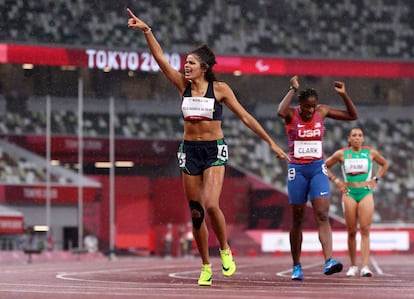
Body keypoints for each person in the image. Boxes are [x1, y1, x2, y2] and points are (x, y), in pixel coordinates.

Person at [127, 8, 289, 286]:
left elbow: (246, 117)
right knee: (196, 211)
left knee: (212, 204)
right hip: (188, 151)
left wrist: (271, 142)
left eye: (190, 63)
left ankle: (225, 250)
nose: (185, 66)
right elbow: (160, 59)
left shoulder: (221, 89)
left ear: (204, 67)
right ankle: (205, 266)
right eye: (185, 62)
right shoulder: (181, 85)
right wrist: (147, 31)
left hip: (214, 150)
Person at [277, 75, 358, 280]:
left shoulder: (322, 111)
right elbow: (280, 111)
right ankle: (297, 265)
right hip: (297, 170)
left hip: (316, 168)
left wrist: (344, 94)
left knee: (322, 214)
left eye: (312, 107)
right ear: (300, 105)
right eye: (306, 107)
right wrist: (292, 89)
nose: (310, 111)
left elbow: (352, 116)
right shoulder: (291, 115)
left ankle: (329, 260)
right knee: (297, 219)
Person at [325, 127, 388, 277]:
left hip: (366, 192)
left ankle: (365, 266)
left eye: (360, 135)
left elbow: (384, 164)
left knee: (365, 231)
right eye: (354, 135)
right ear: (349, 139)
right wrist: (336, 181)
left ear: (363, 139)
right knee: (351, 231)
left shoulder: (370, 152)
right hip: (349, 193)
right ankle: (353, 266)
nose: (357, 138)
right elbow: (324, 166)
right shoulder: (342, 153)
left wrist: (375, 180)